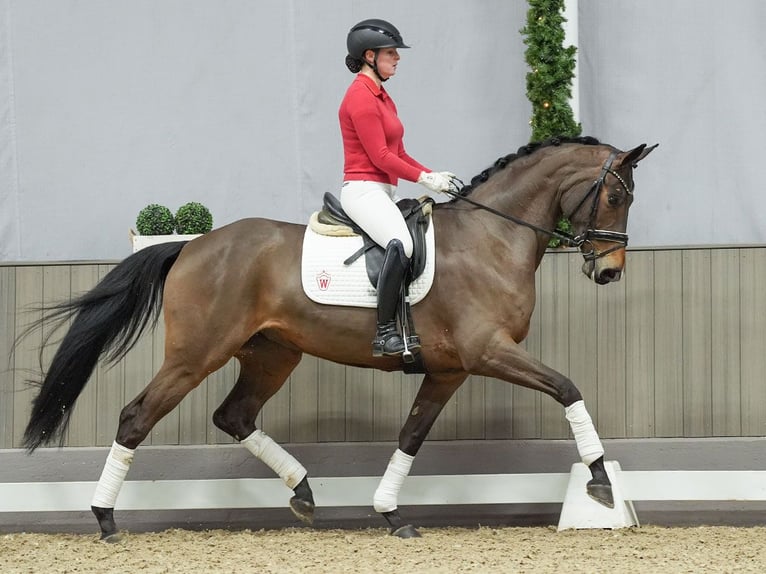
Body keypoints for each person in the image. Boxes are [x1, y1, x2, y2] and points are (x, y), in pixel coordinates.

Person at [339, 18, 458, 358]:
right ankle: (384, 333)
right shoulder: (360, 96)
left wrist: (434, 175)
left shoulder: (382, 97)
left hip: (381, 190)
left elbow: (399, 153)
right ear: (369, 56)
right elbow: (379, 156)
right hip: (363, 189)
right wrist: (423, 180)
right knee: (401, 243)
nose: (398, 58)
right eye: (391, 53)